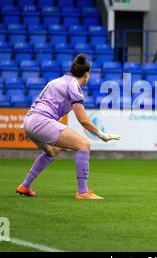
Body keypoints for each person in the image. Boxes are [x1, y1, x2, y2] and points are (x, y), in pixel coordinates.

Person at [16, 54, 121, 200]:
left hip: (29, 121)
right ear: (87, 74)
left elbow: (53, 111)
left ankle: (25, 186)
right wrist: (101, 134)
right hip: (40, 121)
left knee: (54, 151)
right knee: (83, 145)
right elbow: (83, 120)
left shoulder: (59, 80)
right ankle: (83, 192)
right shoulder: (73, 86)